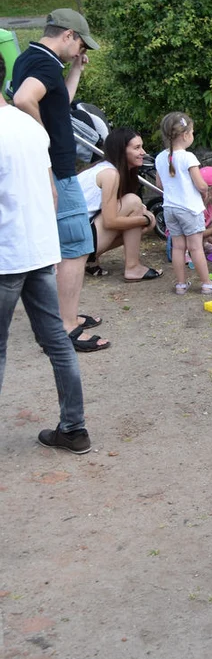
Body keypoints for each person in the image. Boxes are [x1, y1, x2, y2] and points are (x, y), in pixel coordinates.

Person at [0, 51, 92, 454]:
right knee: (56, 341)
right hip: (37, 251)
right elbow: (50, 191)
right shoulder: (30, 127)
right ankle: (74, 428)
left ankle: (74, 428)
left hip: (6, 256)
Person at [11, 8, 107, 350]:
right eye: (81, 44)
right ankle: (66, 327)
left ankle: (67, 315)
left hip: (51, 168)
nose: (81, 51)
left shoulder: (30, 58)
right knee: (76, 244)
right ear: (68, 34)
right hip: (57, 170)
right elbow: (24, 100)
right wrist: (44, 139)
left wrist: (76, 71)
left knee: (68, 243)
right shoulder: (46, 63)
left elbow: (56, 105)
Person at [76, 128, 162, 285]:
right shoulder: (109, 174)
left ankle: (91, 259)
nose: (143, 152)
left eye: (141, 146)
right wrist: (145, 220)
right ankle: (133, 267)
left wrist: (143, 217)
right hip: (76, 239)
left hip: (78, 234)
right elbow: (110, 221)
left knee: (137, 208)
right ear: (121, 151)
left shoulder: (107, 169)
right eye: (136, 148)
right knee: (134, 203)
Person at [154, 111, 212, 295]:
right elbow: (201, 185)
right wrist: (203, 190)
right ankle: (207, 283)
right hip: (189, 209)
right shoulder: (188, 157)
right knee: (195, 247)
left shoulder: (160, 157)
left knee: (178, 247)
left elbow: (159, 184)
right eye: (192, 132)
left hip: (169, 208)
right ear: (186, 135)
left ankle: (180, 284)